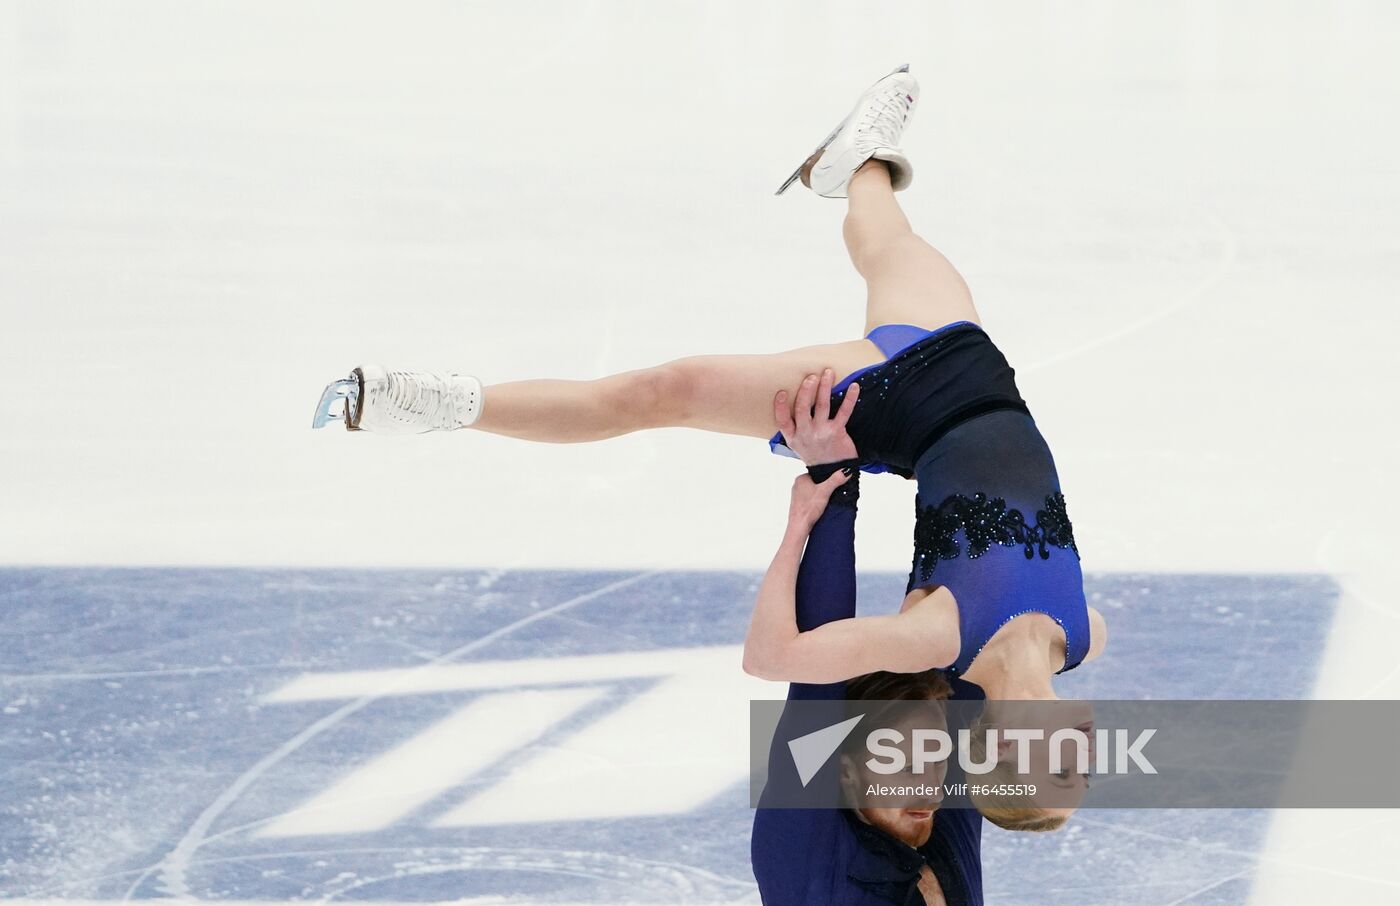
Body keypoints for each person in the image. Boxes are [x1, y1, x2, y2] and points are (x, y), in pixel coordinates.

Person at [313, 65, 1108, 828]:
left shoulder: (935, 638)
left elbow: (772, 657)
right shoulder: (1085, 634)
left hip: (899, 406)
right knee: (887, 244)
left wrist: (812, 505)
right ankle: (857, 161)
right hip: (975, 366)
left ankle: (438, 404)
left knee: (663, 390)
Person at [750, 455, 983, 906]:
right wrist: (836, 486)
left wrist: (948, 463)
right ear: (846, 770)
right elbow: (815, 687)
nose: (930, 786)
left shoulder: (931, 828)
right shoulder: (804, 864)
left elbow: (960, 610)